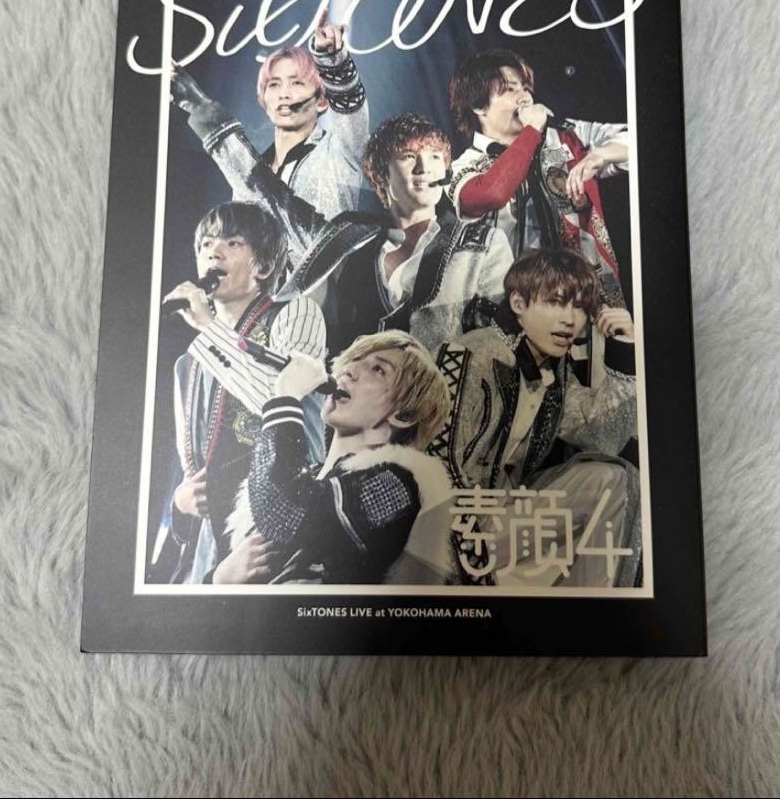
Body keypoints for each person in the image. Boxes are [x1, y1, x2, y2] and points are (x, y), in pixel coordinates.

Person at [222, 111, 515, 359]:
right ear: (381, 175)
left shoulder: (483, 243)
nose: (424, 168)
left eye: (435, 156)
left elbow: (500, 342)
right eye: (408, 156)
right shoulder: (350, 238)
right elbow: (274, 198)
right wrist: (209, 119)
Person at [430, 248, 641, 587]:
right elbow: (437, 469)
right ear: (518, 303)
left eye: (580, 307)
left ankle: (592, 607)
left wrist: (625, 351)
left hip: (507, 515)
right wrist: (468, 554)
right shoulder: (468, 355)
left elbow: (603, 437)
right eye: (556, 302)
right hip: (455, 532)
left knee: (613, 478)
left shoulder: (554, 370)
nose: (570, 319)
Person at [149, 202, 327, 584]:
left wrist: (208, 328)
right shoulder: (188, 364)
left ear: (263, 266)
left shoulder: (295, 314)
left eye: (232, 243)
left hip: (279, 534)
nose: (214, 252)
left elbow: (282, 401)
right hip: (212, 552)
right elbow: (192, 460)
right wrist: (181, 502)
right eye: (206, 244)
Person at [216, 331, 454, 585]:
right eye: (355, 359)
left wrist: (286, 397)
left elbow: (287, 513)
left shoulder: (398, 486)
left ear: (404, 415)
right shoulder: (308, 479)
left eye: (378, 369)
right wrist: (219, 577)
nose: (350, 370)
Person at [446, 49, 630, 304]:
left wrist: (598, 156)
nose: (525, 98)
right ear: (478, 105)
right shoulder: (464, 166)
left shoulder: (567, 136)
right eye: (510, 90)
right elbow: (492, 194)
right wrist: (531, 130)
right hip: (516, 307)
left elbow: (635, 139)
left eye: (525, 88)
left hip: (590, 299)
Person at [170, 14, 370, 225]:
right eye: (274, 84)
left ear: (322, 101)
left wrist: (332, 60)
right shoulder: (249, 172)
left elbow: (350, 107)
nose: (284, 93)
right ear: (262, 99)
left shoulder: (341, 151)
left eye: (297, 83)